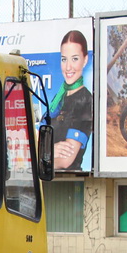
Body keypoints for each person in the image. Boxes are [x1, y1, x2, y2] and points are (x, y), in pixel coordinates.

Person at [50, 30, 92, 171]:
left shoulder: (85, 101)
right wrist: (47, 150)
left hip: (69, 181)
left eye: (74, 59)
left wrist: (42, 155)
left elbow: (65, 161)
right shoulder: (58, 98)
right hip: (42, 178)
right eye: (64, 59)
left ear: (85, 60)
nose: (68, 67)